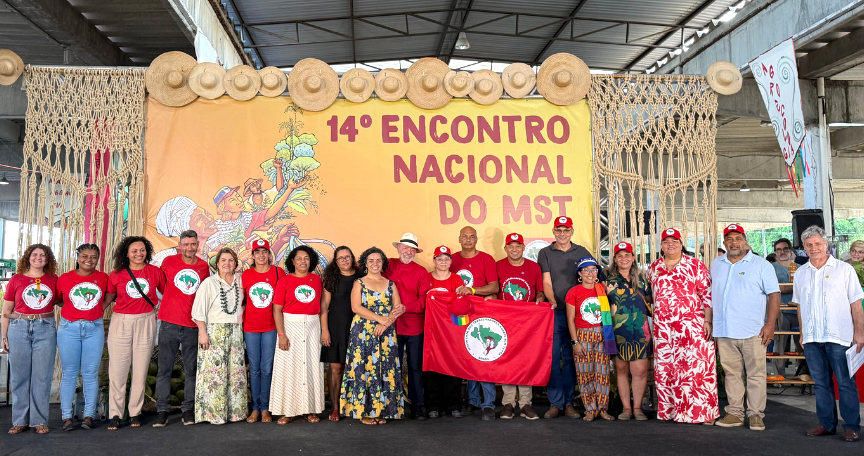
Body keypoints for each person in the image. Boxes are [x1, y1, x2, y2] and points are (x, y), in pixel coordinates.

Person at [794, 226, 864, 442]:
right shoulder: (801, 273)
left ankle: (851, 426)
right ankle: (826, 423)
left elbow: (856, 304)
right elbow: (799, 306)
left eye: (817, 244)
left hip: (839, 336)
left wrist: (860, 334)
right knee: (821, 383)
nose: (813, 248)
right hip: (813, 338)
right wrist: (802, 333)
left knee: (845, 382)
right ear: (804, 248)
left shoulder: (844, 269)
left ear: (826, 245)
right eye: (809, 245)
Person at [711, 224, 780, 431]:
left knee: (756, 374)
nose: (734, 242)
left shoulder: (761, 265)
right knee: (731, 373)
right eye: (729, 239)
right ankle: (734, 413)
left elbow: (774, 295)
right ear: (724, 242)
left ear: (745, 240)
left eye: (738, 238)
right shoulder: (716, 264)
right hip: (724, 330)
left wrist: (770, 324)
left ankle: (756, 414)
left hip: (754, 330)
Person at [646, 228, 718, 425]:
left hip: (692, 326)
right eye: (666, 242)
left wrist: (708, 320)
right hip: (664, 329)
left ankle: (704, 413)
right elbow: (651, 297)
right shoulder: (654, 268)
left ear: (681, 243)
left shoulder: (695, 265)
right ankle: (672, 412)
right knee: (667, 369)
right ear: (661, 245)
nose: (671, 245)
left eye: (675, 241)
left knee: (696, 369)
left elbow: (707, 295)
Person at [104, 236, 167, 430]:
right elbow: (106, 300)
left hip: (146, 320)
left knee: (140, 370)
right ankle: (115, 413)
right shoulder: (116, 274)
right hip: (121, 321)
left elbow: (167, 294)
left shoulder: (155, 272)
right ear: (127, 253)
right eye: (134, 251)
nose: (139, 254)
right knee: (118, 370)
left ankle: (135, 412)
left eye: (142, 250)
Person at [340, 247, 406, 425]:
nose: (375, 264)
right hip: (363, 332)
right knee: (365, 370)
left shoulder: (391, 284)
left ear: (383, 263)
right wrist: (381, 320)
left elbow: (398, 307)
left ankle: (384, 410)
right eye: (371, 261)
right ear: (365, 264)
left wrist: (387, 322)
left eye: (378, 260)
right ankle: (365, 412)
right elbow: (356, 308)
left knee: (386, 369)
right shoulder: (359, 283)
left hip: (386, 333)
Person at [154, 230, 211, 428]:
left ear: (198, 245)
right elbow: (162, 285)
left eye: (193, 244)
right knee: (164, 370)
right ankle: (162, 410)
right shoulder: (168, 262)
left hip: (193, 326)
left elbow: (204, 294)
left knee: (191, 370)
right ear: (180, 246)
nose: (189, 248)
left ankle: (189, 409)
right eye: (186, 244)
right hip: (169, 323)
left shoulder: (204, 267)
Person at [536, 216, 591, 419]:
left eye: (566, 230)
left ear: (571, 231)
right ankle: (555, 403)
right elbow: (546, 282)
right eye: (558, 230)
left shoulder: (582, 251)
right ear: (553, 231)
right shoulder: (545, 253)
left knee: (571, 358)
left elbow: (591, 277)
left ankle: (569, 403)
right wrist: (553, 302)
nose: (562, 233)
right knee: (552, 358)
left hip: (579, 315)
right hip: (556, 312)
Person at [2, 244, 59, 435]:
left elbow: (62, 300)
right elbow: (6, 312)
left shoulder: (53, 280)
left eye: (43, 255)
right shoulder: (16, 279)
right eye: (34, 254)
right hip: (18, 327)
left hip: (45, 327)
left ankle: (39, 420)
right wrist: (4, 336)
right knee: (19, 376)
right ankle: (20, 420)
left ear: (48, 259)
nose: (38, 257)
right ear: (28, 257)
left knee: (42, 376)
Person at [191, 247, 247, 424]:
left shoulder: (241, 281)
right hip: (214, 331)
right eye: (223, 260)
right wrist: (202, 333)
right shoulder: (209, 283)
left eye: (230, 260)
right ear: (217, 264)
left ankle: (235, 413)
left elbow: (245, 305)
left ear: (236, 263)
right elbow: (199, 310)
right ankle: (212, 414)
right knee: (214, 374)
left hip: (236, 332)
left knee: (235, 374)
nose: (227, 264)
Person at [270, 245, 325, 424]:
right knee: (289, 368)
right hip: (290, 327)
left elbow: (321, 307)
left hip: (312, 327)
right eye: (299, 258)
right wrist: (281, 334)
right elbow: (277, 310)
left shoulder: (316, 280)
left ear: (311, 261)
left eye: (306, 258)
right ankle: (288, 410)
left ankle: (311, 409)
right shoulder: (284, 281)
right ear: (292, 261)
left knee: (311, 366)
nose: (303, 261)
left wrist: (323, 330)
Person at [57, 243, 109, 431]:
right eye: (85, 256)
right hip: (68, 329)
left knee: (90, 374)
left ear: (98, 258)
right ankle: (67, 417)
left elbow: (109, 295)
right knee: (69, 373)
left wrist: (96, 310)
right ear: (78, 257)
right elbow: (58, 299)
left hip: (93, 329)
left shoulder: (103, 278)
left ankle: (88, 415)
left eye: (94, 256)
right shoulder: (65, 278)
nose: (89, 260)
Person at [450, 226, 500, 419]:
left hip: (482, 313)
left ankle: (488, 402)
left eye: (472, 237)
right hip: (460, 314)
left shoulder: (486, 259)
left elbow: (494, 287)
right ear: (459, 238)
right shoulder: (452, 259)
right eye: (465, 236)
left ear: (476, 239)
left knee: (484, 355)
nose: (468, 239)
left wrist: (471, 291)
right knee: (468, 355)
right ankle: (472, 400)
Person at [494, 233, 543, 420]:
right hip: (504, 321)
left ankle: (525, 404)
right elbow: (493, 289)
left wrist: (540, 299)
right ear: (505, 248)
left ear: (523, 247)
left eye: (518, 246)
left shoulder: (534, 267)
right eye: (510, 246)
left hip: (527, 323)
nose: (514, 249)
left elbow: (539, 291)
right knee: (506, 361)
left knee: (525, 361)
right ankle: (508, 403)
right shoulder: (498, 265)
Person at [383, 233, 432, 420]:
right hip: (390, 326)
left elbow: (423, 301)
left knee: (415, 367)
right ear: (398, 248)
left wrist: (404, 308)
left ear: (415, 252)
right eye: (405, 247)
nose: (408, 251)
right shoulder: (388, 264)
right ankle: (391, 405)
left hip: (414, 327)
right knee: (390, 367)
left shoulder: (421, 272)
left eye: (412, 249)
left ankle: (418, 404)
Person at [605, 242, 651, 421]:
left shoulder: (642, 278)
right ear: (615, 260)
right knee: (621, 368)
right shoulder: (606, 278)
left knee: (639, 370)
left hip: (640, 329)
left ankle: (638, 407)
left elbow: (650, 298)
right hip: (618, 330)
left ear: (633, 258)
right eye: (619, 256)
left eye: (627, 255)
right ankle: (626, 408)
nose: (624, 259)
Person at [566, 257, 615, 422]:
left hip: (602, 334)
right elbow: (570, 320)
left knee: (602, 374)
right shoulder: (573, 292)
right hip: (583, 335)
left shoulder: (603, 288)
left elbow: (612, 310)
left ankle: (602, 408)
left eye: (593, 270)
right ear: (579, 273)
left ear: (597, 273)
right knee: (585, 373)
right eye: (586, 270)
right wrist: (575, 342)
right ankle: (590, 409)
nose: (590, 273)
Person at [241, 239, 282, 423]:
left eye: (265, 251)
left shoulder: (277, 273)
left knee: (267, 368)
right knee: (255, 368)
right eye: (257, 252)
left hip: (271, 327)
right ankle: (255, 408)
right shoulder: (246, 275)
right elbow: (241, 301)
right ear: (253, 255)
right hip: (250, 327)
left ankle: (266, 407)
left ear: (269, 255)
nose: (261, 255)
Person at [320, 246, 360, 421]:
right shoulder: (331, 278)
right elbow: (324, 307)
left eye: (347, 257)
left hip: (358, 328)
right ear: (336, 262)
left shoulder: (361, 277)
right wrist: (325, 331)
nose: (345, 260)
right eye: (341, 258)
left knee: (355, 368)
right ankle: (335, 407)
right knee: (336, 367)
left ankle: (353, 405)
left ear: (352, 258)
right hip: (336, 327)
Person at [425, 245, 465, 419]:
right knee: (432, 366)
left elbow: (463, 305)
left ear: (451, 261)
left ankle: (454, 404)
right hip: (431, 330)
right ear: (434, 261)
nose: (443, 262)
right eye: (439, 259)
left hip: (451, 330)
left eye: (446, 259)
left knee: (452, 365)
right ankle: (434, 405)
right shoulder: (427, 279)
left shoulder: (457, 279)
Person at [771, 238, 798, 376]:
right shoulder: (771, 268)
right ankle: (778, 376)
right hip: (781, 311)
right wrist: (791, 288)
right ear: (775, 252)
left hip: (799, 311)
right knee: (780, 344)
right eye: (779, 249)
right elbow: (771, 289)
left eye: (785, 249)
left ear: (790, 250)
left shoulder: (799, 267)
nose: (782, 252)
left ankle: (801, 375)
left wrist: (783, 289)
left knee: (801, 346)